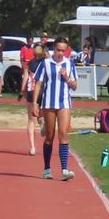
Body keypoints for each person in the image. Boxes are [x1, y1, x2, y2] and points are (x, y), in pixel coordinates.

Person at [32, 36, 78, 181]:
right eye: (58, 50)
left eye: (63, 51)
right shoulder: (45, 63)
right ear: (54, 49)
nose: (60, 53)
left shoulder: (70, 64)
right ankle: (46, 168)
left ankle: (64, 169)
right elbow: (38, 83)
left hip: (64, 103)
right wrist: (35, 103)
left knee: (63, 134)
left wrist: (67, 78)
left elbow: (75, 86)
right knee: (50, 136)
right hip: (49, 103)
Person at [22, 43, 46, 156]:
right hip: (43, 91)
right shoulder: (46, 62)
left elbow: (26, 77)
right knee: (41, 113)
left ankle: (32, 147)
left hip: (32, 91)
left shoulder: (30, 63)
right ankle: (41, 122)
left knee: (31, 119)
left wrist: (22, 90)